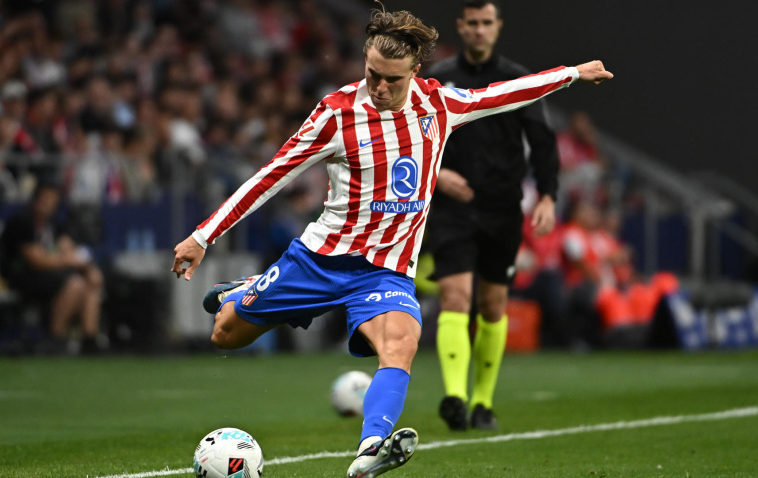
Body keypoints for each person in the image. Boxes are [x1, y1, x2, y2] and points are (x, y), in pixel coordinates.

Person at [171, 4, 613, 477]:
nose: (379, 88)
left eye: (391, 80)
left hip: (385, 272)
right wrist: (203, 235)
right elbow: (269, 177)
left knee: (401, 342)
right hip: (320, 259)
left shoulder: (439, 105)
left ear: (415, 72)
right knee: (226, 333)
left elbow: (504, 93)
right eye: (372, 74)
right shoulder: (336, 114)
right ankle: (248, 288)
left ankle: (370, 449)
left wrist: (572, 74)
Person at [423, 0, 561, 431]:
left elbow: (541, 140)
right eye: (473, 23)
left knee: (493, 304)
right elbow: (417, 138)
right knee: (455, 298)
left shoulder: (519, 79)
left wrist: (547, 196)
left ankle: (483, 401)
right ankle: (455, 397)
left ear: (497, 27)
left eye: (487, 23)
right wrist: (438, 173)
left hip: (502, 206)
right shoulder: (439, 80)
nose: (480, 30)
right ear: (461, 27)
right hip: (452, 207)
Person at [0, 180, 105, 354]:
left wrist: (89, 269)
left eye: (52, 200)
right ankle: (55, 337)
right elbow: (38, 261)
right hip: (22, 275)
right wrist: (67, 260)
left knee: (91, 283)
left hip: (50, 276)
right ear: (36, 199)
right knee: (75, 284)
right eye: (44, 199)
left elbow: (72, 250)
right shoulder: (22, 222)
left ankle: (90, 340)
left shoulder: (53, 225)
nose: (47, 204)